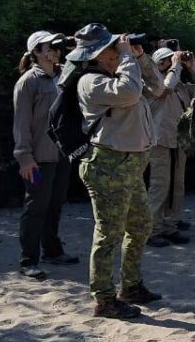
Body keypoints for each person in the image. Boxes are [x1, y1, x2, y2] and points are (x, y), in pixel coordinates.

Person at [69, 23, 161, 319]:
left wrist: (140, 57)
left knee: (140, 225)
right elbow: (131, 94)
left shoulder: (124, 72)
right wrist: (127, 58)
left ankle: (131, 285)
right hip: (108, 165)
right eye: (112, 48)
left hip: (131, 165)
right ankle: (104, 298)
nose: (117, 51)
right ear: (97, 54)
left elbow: (157, 88)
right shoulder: (91, 81)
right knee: (109, 232)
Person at [13, 31, 79, 280]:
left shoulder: (62, 75)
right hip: (38, 158)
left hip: (61, 155)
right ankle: (28, 260)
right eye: (49, 46)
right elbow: (21, 122)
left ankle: (53, 251)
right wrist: (24, 156)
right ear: (36, 52)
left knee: (55, 204)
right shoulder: (28, 81)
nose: (54, 48)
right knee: (36, 206)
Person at [145, 47, 195, 248]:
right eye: (164, 60)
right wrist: (175, 66)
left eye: (171, 59)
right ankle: (151, 230)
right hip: (159, 141)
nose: (170, 63)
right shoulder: (150, 83)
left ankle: (170, 226)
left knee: (177, 186)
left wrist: (191, 69)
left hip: (178, 140)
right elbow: (165, 88)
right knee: (159, 186)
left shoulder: (179, 82)